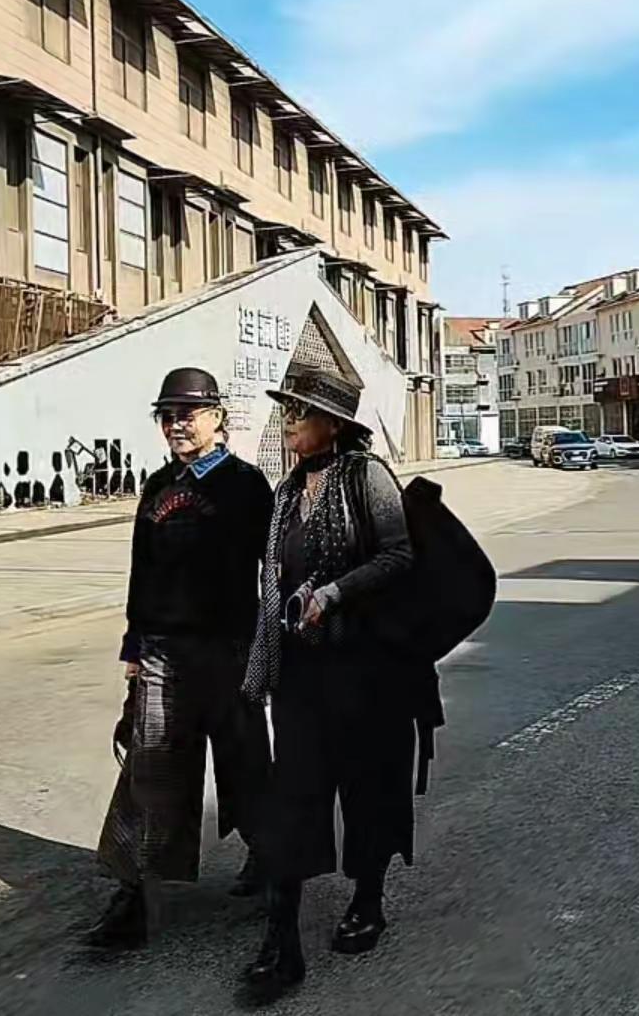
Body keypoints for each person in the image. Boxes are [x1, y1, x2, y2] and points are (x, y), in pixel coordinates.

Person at [241, 366, 421, 999]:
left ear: (335, 424)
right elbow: (272, 578)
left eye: (300, 411)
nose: (288, 420)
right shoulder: (287, 489)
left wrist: (335, 593)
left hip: (364, 671)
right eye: (286, 409)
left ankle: (368, 898)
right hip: (300, 673)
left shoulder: (366, 476)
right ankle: (281, 940)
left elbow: (399, 555)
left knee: (366, 791)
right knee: (292, 797)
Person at [87, 367, 274, 950]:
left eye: (187, 414)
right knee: (151, 770)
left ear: (217, 418)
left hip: (229, 651)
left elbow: (273, 569)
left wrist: (268, 648)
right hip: (164, 652)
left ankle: (271, 859)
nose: (176, 425)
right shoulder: (157, 487)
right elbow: (142, 573)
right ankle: (135, 896)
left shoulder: (246, 485)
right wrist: (133, 647)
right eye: (167, 416)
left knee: (245, 764)